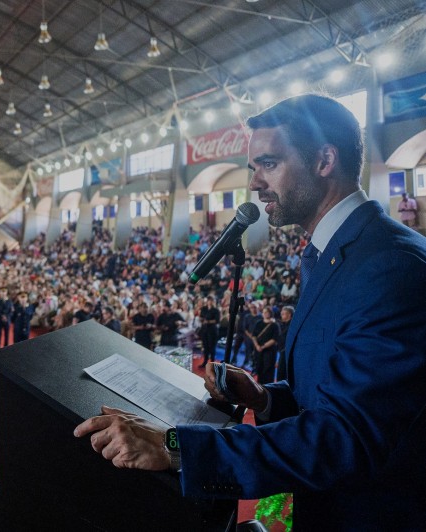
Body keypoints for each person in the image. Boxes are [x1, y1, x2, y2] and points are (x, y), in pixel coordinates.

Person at [74, 94, 426, 530]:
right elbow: (330, 392)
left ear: (324, 161)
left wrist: (176, 447)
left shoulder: (388, 265)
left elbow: (347, 436)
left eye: (269, 164)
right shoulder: (331, 253)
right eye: (253, 168)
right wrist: (264, 398)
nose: (255, 183)